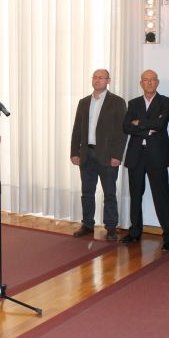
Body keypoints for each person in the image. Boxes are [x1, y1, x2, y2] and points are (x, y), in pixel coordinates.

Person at [122, 70, 169, 250]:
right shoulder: (133, 103)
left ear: (157, 82)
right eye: (146, 80)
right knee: (135, 195)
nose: (149, 82)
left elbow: (161, 124)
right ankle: (134, 232)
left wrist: (139, 123)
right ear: (141, 83)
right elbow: (126, 126)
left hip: (157, 155)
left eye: (153, 80)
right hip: (136, 155)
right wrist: (148, 128)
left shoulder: (166, 101)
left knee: (162, 196)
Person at [70, 69, 127, 240]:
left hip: (108, 156)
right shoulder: (83, 102)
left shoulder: (117, 102)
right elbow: (77, 129)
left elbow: (122, 131)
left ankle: (111, 227)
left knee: (109, 193)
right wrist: (74, 152)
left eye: (101, 77)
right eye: (95, 77)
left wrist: (117, 155)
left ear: (108, 81)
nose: (97, 80)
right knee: (87, 192)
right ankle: (87, 224)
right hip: (86, 154)